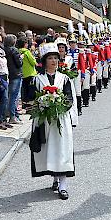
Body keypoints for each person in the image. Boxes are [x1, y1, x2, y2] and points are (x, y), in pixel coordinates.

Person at [30, 43, 74, 200]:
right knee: (48, 150)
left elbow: (70, 99)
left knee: (62, 149)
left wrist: (60, 104)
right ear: (44, 60)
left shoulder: (64, 78)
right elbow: (29, 99)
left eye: (56, 58)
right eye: (50, 58)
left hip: (60, 120)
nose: (54, 61)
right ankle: (55, 177)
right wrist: (42, 102)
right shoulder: (36, 80)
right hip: (44, 120)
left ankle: (63, 184)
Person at [56, 38, 79, 127]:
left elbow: (75, 72)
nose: (61, 49)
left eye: (62, 47)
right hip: (57, 84)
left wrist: (68, 74)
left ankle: (71, 119)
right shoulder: (54, 59)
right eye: (59, 47)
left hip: (68, 83)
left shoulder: (69, 59)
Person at [4, 34, 23, 124]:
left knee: (10, 96)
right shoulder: (14, 50)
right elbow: (19, 63)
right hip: (16, 74)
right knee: (14, 97)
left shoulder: (3, 50)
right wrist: (21, 58)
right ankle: (13, 116)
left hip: (7, 75)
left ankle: (14, 115)